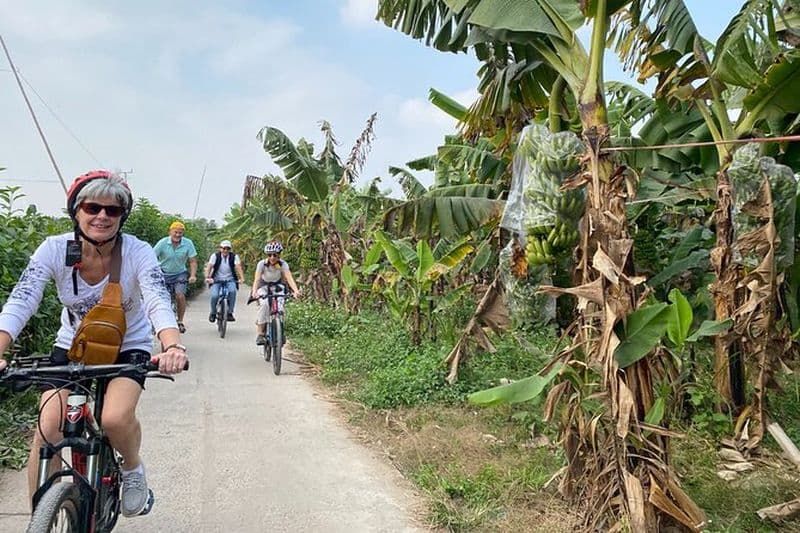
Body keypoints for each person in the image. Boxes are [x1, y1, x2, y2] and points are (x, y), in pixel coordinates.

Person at [0, 170, 187, 517]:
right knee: (48, 428)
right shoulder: (55, 249)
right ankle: (41, 518)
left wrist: (172, 345)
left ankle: (131, 470)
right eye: (92, 207)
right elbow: (22, 299)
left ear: (122, 217)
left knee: (114, 418)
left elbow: (157, 298)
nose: (101, 216)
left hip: (128, 344)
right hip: (74, 345)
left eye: (112, 210)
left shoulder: (138, 252)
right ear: (76, 211)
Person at [250, 241, 300, 346]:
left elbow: (289, 277)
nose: (272, 257)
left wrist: (295, 291)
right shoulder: (262, 264)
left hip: (278, 287)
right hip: (263, 287)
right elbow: (257, 279)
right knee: (264, 305)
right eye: (269, 255)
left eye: (275, 255)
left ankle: (280, 332)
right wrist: (254, 292)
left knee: (280, 309)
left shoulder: (283, 264)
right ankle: (260, 333)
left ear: (279, 254)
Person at [153, 220, 197, 333]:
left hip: (180, 274)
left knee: (180, 296)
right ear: (170, 232)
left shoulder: (188, 243)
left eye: (180, 233)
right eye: (175, 232)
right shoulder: (162, 243)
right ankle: (157, 322)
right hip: (163, 273)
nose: (177, 235)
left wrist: (193, 275)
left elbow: (192, 261)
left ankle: (180, 321)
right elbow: (152, 258)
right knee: (161, 299)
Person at [204, 240, 245, 322]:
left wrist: (242, 278)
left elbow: (238, 267)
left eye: (227, 249)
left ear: (230, 249)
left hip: (230, 279)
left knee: (232, 292)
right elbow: (209, 266)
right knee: (215, 296)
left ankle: (230, 312)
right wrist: (207, 277)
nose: (225, 250)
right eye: (223, 248)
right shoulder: (215, 256)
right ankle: (213, 312)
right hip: (216, 280)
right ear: (220, 248)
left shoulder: (234, 256)